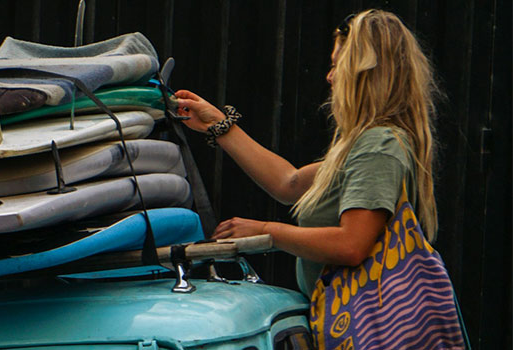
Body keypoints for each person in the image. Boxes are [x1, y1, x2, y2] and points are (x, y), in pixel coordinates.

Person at [176, 9, 466, 349]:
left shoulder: (378, 146)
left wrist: (268, 232)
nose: (329, 77)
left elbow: (351, 244)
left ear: (366, 73)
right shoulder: (367, 143)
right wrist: (218, 124)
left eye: (337, 65)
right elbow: (290, 183)